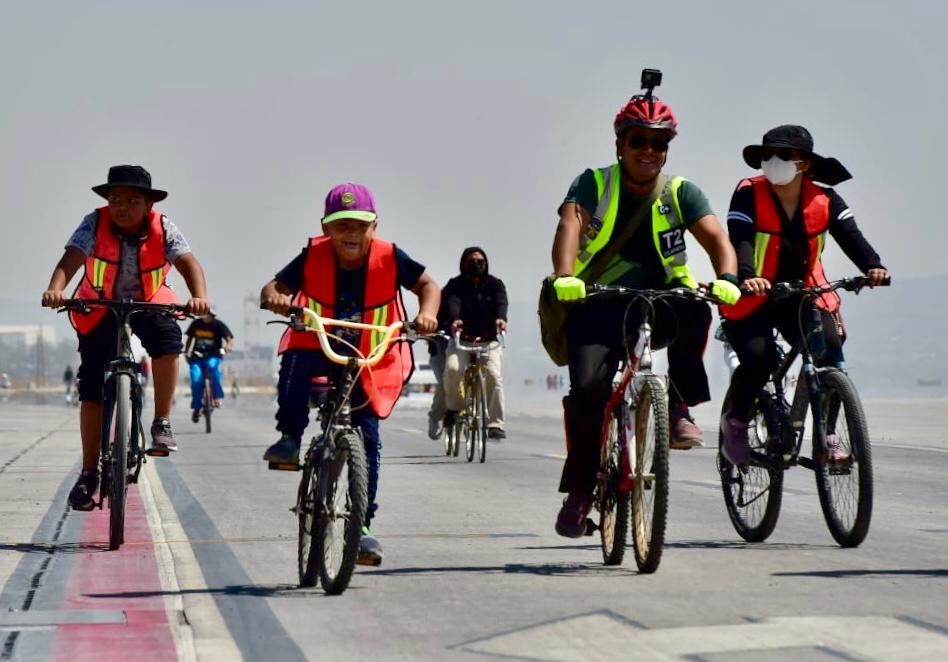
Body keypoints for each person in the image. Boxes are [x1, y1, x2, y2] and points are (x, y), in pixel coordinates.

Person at [547, 80, 741, 537]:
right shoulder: (594, 182)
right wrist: (564, 277)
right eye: (639, 140)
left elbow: (716, 239)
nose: (649, 150)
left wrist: (728, 278)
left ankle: (676, 408)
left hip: (661, 300)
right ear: (620, 143)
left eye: (660, 143)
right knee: (589, 393)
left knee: (696, 306)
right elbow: (569, 226)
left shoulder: (681, 192)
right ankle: (579, 493)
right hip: (596, 299)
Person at [259, 182, 440, 565]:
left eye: (360, 225)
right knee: (294, 362)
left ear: (374, 227)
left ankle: (362, 527)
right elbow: (275, 286)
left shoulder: (391, 256)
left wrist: (427, 313)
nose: (351, 234)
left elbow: (427, 285)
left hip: (366, 354)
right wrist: (275, 295)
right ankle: (289, 438)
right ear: (327, 228)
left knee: (368, 437)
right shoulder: (312, 254)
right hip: (318, 346)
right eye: (342, 226)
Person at [41, 165, 210, 511]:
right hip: (99, 303)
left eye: (133, 200)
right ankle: (89, 472)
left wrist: (199, 296)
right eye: (115, 198)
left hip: (149, 300)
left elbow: (188, 262)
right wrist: (56, 289)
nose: (122, 206)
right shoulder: (94, 222)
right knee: (90, 384)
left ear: (148, 204)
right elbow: (72, 257)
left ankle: (161, 421)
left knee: (167, 341)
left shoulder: (164, 226)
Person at [719, 125, 889, 465]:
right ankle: (735, 423)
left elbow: (850, 235)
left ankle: (827, 436)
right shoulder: (748, 193)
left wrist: (874, 266)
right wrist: (749, 277)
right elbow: (740, 237)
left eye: (783, 156)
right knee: (760, 358)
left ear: (805, 164)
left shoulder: (825, 199)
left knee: (829, 349)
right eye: (767, 156)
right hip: (753, 294)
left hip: (804, 292)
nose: (772, 162)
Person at [440, 247, 508, 440]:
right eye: (472, 261)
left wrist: (501, 318)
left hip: (488, 340)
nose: (476, 265)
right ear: (463, 264)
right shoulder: (455, 285)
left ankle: (495, 424)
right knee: (453, 369)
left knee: (493, 376)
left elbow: (501, 303)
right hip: (462, 339)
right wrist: (455, 320)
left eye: (480, 261)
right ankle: (454, 408)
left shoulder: (495, 284)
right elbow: (453, 303)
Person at [184, 307, 235, 422]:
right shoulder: (196, 324)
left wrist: (226, 348)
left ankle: (216, 397)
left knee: (214, 372)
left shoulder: (219, 325)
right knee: (196, 380)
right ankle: (197, 409)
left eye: (210, 315)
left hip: (214, 355)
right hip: (197, 356)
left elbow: (230, 341)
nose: (207, 317)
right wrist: (186, 352)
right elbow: (189, 339)